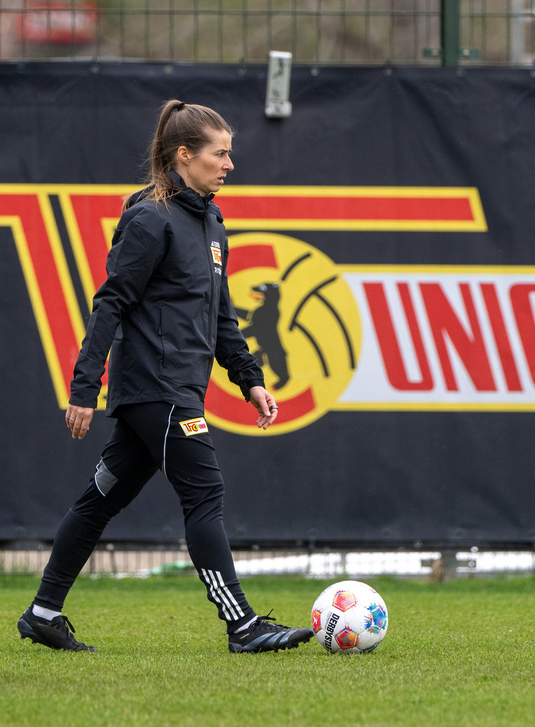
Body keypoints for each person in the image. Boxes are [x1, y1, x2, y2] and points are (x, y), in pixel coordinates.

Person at [17, 99, 313, 654]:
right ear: (184, 154)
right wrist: (85, 389)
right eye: (219, 154)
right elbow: (110, 304)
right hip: (161, 390)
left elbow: (221, 315)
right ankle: (243, 626)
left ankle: (43, 612)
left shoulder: (212, 223)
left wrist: (249, 379)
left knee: (97, 501)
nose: (229, 164)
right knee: (205, 495)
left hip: (164, 394)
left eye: (230, 154)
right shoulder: (150, 218)